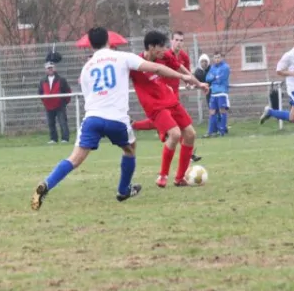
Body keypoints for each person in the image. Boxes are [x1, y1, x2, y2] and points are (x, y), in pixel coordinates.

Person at [31, 27, 197, 210]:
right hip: (116, 119)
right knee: (130, 148)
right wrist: (184, 77)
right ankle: (123, 190)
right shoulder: (122, 57)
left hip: (92, 118)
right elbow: (156, 67)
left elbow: (87, 93)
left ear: (91, 45)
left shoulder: (87, 67)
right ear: (109, 41)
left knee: (75, 159)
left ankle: (46, 184)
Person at [130, 31, 208, 188]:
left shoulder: (164, 56)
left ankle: (180, 178)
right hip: (154, 106)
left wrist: (198, 84)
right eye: (160, 47)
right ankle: (162, 176)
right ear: (151, 47)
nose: (164, 50)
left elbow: (183, 70)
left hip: (170, 99)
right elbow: (160, 70)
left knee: (190, 134)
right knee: (175, 133)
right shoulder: (134, 63)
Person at [38, 61, 71, 144]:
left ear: (54, 68)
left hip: (60, 105)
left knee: (63, 122)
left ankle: (65, 139)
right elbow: (40, 92)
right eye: (48, 68)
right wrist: (45, 101)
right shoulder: (42, 81)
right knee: (51, 123)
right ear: (45, 70)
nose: (50, 70)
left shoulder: (61, 80)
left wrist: (64, 102)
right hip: (48, 106)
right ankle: (53, 139)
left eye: (51, 68)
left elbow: (67, 91)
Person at [205, 50, 230, 137]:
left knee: (222, 111)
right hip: (213, 93)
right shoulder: (212, 67)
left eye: (218, 57)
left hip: (222, 93)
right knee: (212, 112)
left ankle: (222, 131)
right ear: (213, 59)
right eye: (215, 58)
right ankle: (210, 132)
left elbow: (221, 79)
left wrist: (214, 77)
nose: (217, 59)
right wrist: (214, 77)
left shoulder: (226, 67)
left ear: (221, 57)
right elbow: (207, 78)